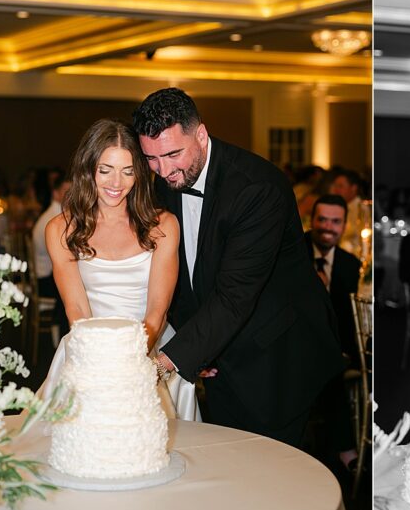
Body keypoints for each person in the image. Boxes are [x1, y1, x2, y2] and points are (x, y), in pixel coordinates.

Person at [133, 88, 343, 446]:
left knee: (275, 471)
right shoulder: (167, 181)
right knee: (230, 462)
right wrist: (197, 350)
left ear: (201, 134)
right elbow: (182, 274)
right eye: (151, 158)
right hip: (219, 352)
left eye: (172, 154)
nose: (163, 170)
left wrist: (164, 362)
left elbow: (236, 294)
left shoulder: (257, 188)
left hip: (277, 355)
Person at [40, 119, 200, 422]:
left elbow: (157, 311)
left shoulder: (162, 226)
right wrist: (101, 360)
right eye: (106, 170)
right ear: (88, 169)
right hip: (89, 346)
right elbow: (76, 309)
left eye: (127, 171)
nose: (117, 183)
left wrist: (130, 362)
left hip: (149, 348)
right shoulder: (61, 229)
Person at [304, 193, 360, 475]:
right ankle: (346, 450)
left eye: (335, 221)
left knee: (335, 366)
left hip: (337, 348)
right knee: (330, 368)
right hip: (299, 345)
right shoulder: (296, 252)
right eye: (322, 220)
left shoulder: (350, 264)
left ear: (344, 225)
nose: (328, 227)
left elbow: (347, 318)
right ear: (312, 221)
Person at [31, 172, 73, 336]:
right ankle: (64, 331)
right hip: (44, 281)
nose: (72, 196)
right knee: (72, 286)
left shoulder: (56, 214)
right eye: (67, 192)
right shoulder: (55, 220)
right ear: (56, 194)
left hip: (45, 275)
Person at [329, 169, 368, 257]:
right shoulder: (341, 206)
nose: (335, 190)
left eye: (340, 186)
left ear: (353, 188)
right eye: (335, 186)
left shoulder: (361, 209)